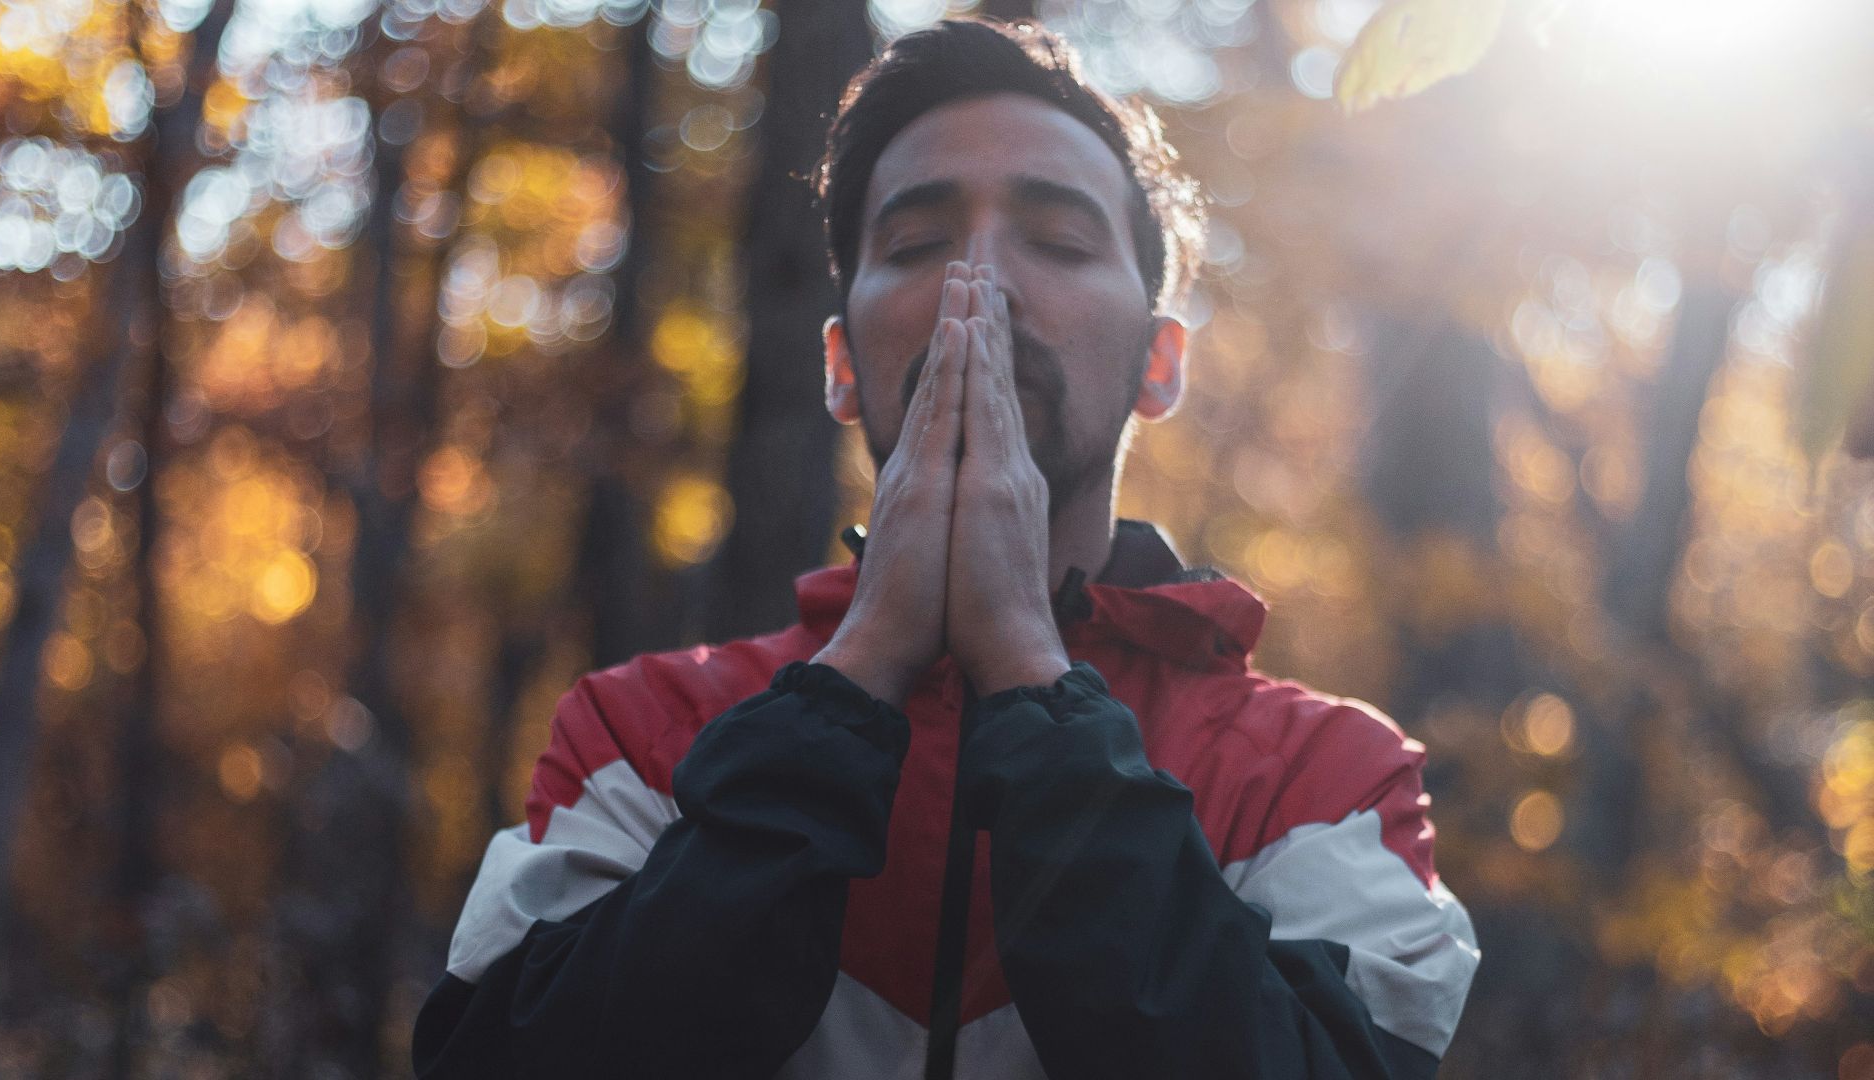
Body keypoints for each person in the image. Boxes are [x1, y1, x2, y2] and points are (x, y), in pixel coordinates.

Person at [413, 18, 1479, 1079]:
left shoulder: (1326, 775)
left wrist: (1026, 669)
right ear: (839, 366)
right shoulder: (641, 735)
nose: (982, 281)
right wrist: (862, 670)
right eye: (918, 245)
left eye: (1059, 243)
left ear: (1160, 365)